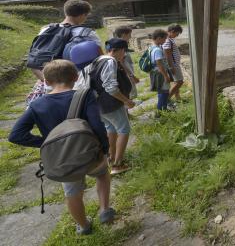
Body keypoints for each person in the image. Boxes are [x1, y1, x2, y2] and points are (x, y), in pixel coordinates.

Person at [9, 60, 114, 235]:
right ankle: (104, 209)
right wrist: (104, 149)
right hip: (90, 152)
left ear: (46, 82)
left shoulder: (37, 105)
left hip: (62, 158)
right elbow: (97, 125)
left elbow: (16, 135)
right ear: (76, 76)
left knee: (72, 191)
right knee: (102, 174)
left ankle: (83, 226)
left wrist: (46, 142)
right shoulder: (84, 95)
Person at [26, 0, 102, 106]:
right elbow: (100, 60)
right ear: (83, 15)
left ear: (66, 12)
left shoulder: (46, 29)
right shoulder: (88, 33)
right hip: (77, 86)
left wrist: (50, 82)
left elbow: (34, 58)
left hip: (50, 84)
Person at [89, 38, 135, 175]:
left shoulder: (99, 60)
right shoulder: (110, 62)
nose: (125, 55)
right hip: (111, 104)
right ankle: (117, 164)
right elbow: (111, 88)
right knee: (124, 129)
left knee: (111, 129)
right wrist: (126, 101)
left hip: (99, 105)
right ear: (119, 50)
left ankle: (110, 157)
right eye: (124, 51)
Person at [113, 26, 139, 100]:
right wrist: (132, 76)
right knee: (128, 93)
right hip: (125, 75)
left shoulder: (116, 44)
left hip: (124, 74)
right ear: (124, 34)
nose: (130, 37)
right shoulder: (120, 47)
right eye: (129, 35)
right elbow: (121, 63)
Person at [149, 29, 171, 112]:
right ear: (158, 38)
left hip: (155, 72)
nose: (165, 41)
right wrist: (166, 76)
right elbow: (159, 64)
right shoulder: (157, 50)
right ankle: (160, 112)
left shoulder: (152, 47)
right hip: (160, 74)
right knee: (164, 93)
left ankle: (163, 109)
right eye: (164, 39)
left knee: (161, 92)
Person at [163, 24, 184, 104]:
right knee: (180, 82)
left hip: (174, 64)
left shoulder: (169, 39)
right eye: (177, 33)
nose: (177, 35)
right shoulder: (167, 40)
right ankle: (167, 99)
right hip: (173, 65)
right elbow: (167, 54)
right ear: (172, 31)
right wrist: (171, 67)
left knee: (176, 81)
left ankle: (177, 98)